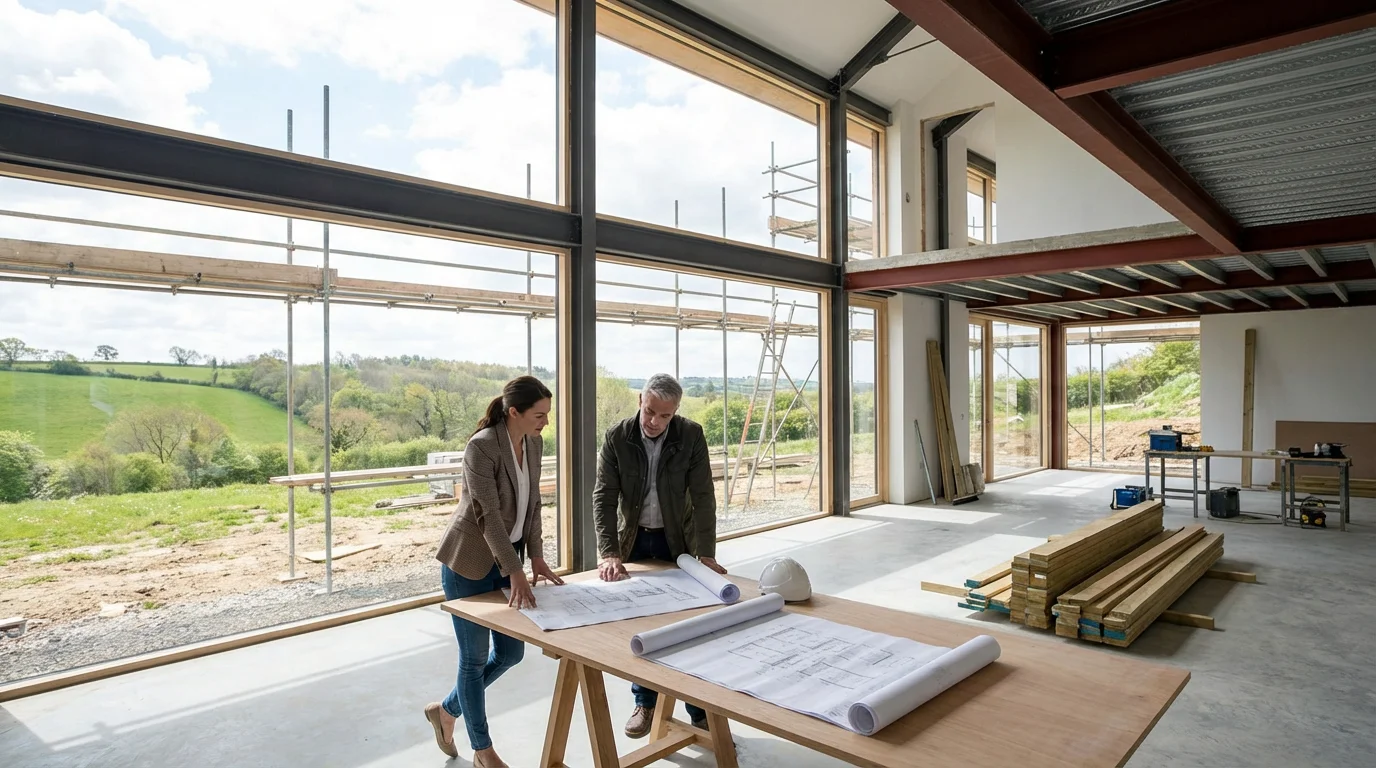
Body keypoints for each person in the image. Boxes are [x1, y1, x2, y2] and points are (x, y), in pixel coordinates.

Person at [424, 376, 564, 767]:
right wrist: (515, 569)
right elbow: (487, 517)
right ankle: (482, 749)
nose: (545, 423)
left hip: (509, 563)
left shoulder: (533, 443)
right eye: (539, 415)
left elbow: (533, 503)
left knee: (511, 653)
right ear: (514, 412)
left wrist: (535, 556)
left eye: (547, 415)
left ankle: (446, 710)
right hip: (468, 564)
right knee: (472, 659)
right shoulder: (481, 447)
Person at [593, 372, 725, 738]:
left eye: (664, 416)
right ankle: (645, 704)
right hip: (633, 541)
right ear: (640, 400)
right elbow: (603, 496)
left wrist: (706, 553)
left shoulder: (691, 435)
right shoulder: (618, 436)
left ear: (675, 412)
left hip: (676, 543)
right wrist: (609, 552)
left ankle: (697, 709)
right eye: (650, 411)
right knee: (644, 625)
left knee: (689, 624)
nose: (654, 422)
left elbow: (702, 498)